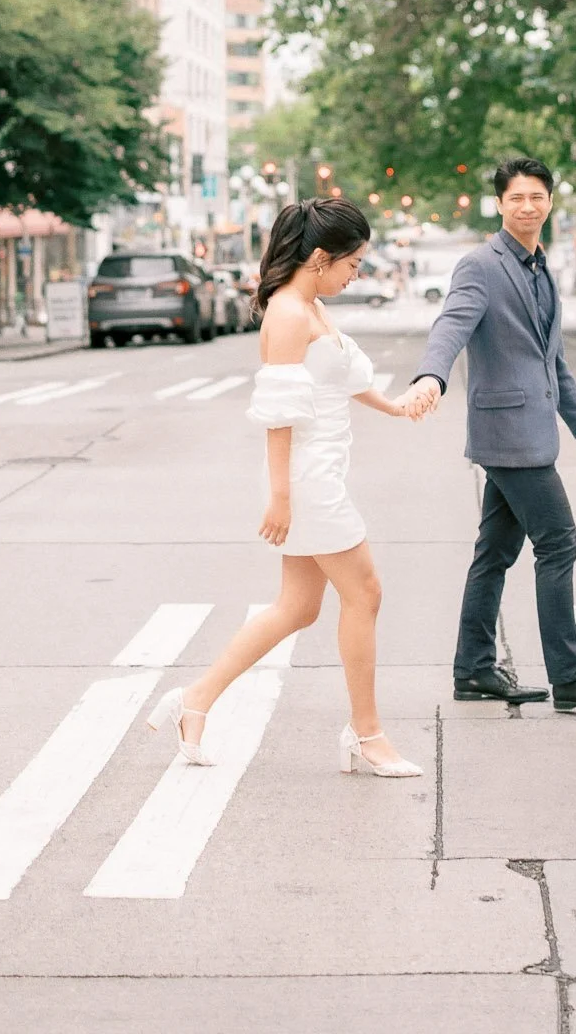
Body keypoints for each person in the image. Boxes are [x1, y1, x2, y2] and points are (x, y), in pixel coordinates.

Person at [148, 198, 422, 777]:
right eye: (352, 263)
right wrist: (280, 494)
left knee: (297, 607)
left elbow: (343, 378)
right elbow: (279, 414)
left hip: (318, 473)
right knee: (365, 593)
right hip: (308, 478)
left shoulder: (312, 306)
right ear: (321, 258)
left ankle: (193, 700)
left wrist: (394, 407)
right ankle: (367, 734)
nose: (357, 274)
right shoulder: (290, 314)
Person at [400, 156, 576, 714]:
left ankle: (475, 670)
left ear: (549, 202)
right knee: (558, 542)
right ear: (500, 205)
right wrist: (431, 377)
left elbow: (553, 362)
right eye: (516, 198)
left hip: (530, 430)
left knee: (496, 552)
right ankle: (570, 675)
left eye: (537, 197)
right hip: (508, 432)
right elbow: (450, 327)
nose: (527, 206)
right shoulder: (480, 266)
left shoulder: (541, 268)